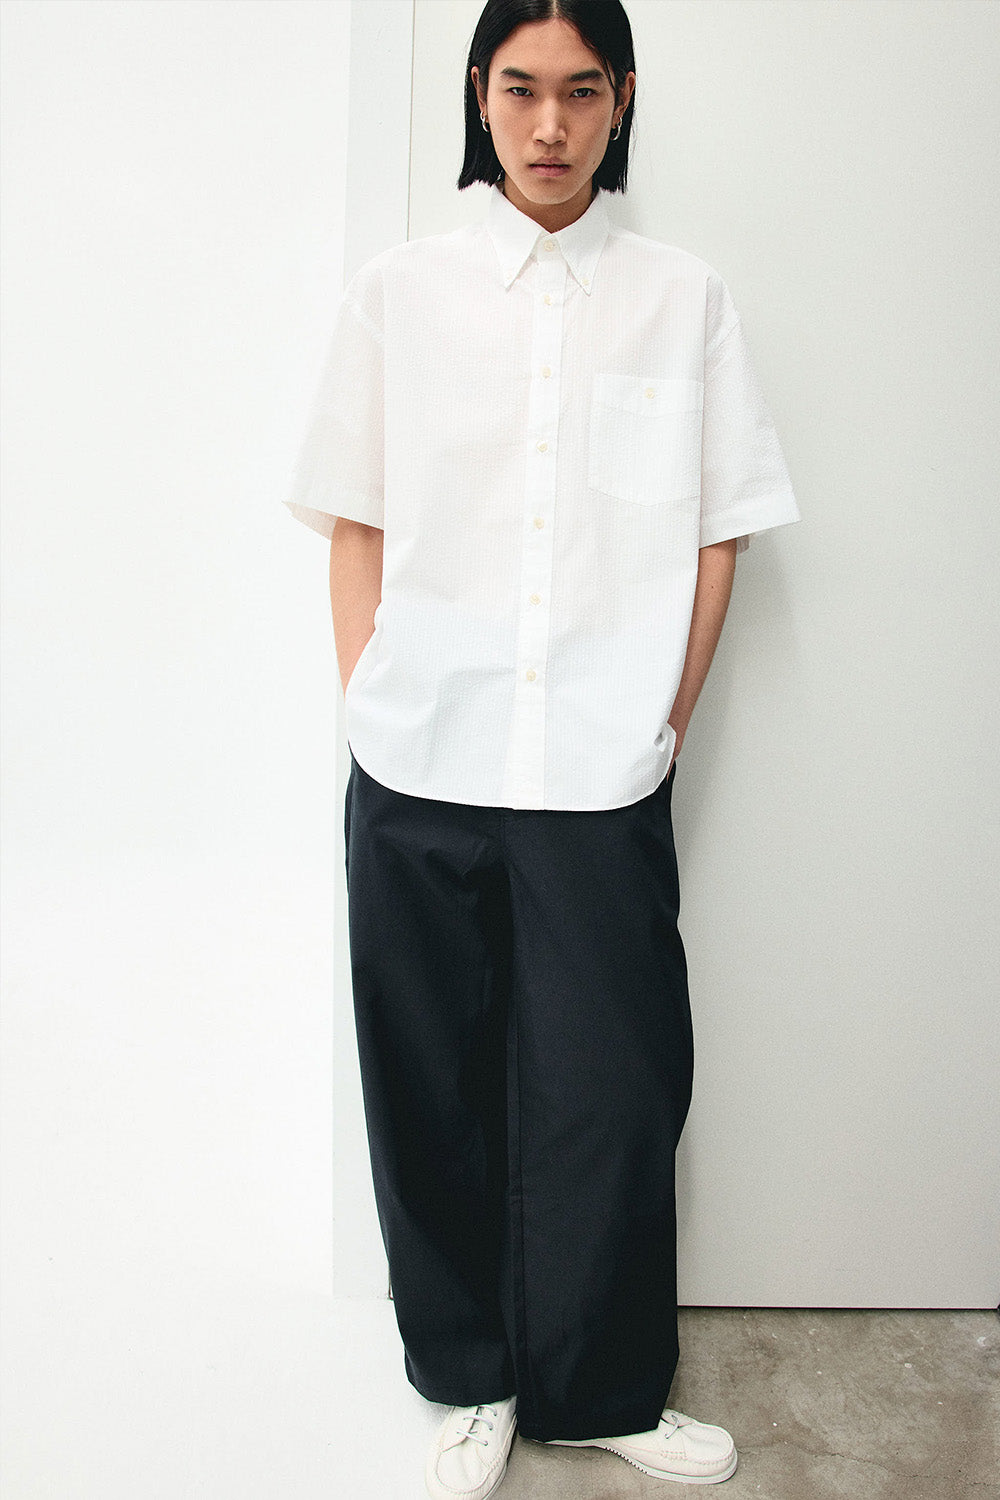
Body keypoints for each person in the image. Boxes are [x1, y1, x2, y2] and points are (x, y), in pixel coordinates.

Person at [284, 2, 799, 1494]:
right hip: (420, 760)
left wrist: (661, 721)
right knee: (430, 1083)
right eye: (521, 89)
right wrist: (369, 703)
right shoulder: (401, 293)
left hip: (597, 772)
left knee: (615, 1089)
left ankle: (606, 1388)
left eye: (582, 91)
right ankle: (470, 1378)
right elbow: (355, 518)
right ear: (480, 94)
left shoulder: (683, 299)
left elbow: (716, 535)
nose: (551, 125)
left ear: (622, 99)